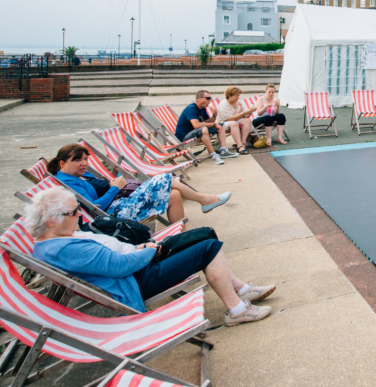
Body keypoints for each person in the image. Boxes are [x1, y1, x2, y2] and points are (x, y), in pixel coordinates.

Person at [27, 187, 273, 326]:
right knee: (208, 248)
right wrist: (147, 251)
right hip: (138, 280)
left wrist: (139, 249)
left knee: (205, 233)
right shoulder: (65, 248)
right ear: (51, 220)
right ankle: (237, 310)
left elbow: (110, 260)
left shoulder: (58, 239)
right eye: (74, 212)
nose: (79, 217)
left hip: (137, 264)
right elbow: (118, 267)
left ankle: (239, 289)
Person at [48, 144, 231, 225]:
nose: (84, 163)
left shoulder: (80, 174)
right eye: (77, 160)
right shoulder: (68, 183)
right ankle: (205, 200)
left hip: (119, 203)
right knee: (164, 178)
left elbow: (99, 188)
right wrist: (114, 188)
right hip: (112, 215)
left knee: (174, 195)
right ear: (62, 164)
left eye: (86, 159)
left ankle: (181, 236)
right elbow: (94, 208)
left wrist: (113, 185)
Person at [175, 90, 227, 165]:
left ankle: (223, 150)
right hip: (184, 136)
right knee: (204, 129)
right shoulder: (191, 108)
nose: (210, 100)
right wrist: (213, 124)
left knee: (221, 125)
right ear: (199, 99)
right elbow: (196, 125)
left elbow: (208, 122)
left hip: (196, 131)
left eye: (210, 98)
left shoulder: (202, 108)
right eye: (208, 98)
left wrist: (214, 115)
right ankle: (213, 155)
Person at [216, 86, 254, 156]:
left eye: (238, 95)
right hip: (222, 123)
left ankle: (242, 143)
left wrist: (250, 112)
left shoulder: (238, 103)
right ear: (229, 96)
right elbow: (230, 119)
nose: (238, 97)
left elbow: (245, 116)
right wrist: (243, 113)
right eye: (236, 96)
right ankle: (239, 146)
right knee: (234, 123)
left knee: (247, 121)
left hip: (235, 121)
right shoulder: (224, 104)